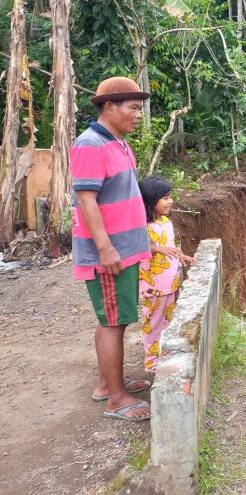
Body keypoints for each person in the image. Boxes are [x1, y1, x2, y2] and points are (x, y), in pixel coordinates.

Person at [70, 76, 152, 422]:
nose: (138, 115)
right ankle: (116, 399)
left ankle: (109, 383)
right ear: (109, 107)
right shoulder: (90, 145)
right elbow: (85, 200)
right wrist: (105, 248)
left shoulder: (118, 142)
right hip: (110, 254)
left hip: (124, 249)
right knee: (113, 323)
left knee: (115, 319)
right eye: (133, 108)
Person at [138, 176, 193, 373]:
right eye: (165, 198)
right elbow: (138, 249)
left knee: (168, 322)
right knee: (153, 324)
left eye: (170, 197)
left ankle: (164, 355)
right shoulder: (142, 226)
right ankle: (152, 363)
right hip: (154, 287)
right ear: (151, 200)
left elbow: (169, 248)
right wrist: (157, 249)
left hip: (171, 283)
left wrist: (182, 256)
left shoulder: (165, 222)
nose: (170, 201)